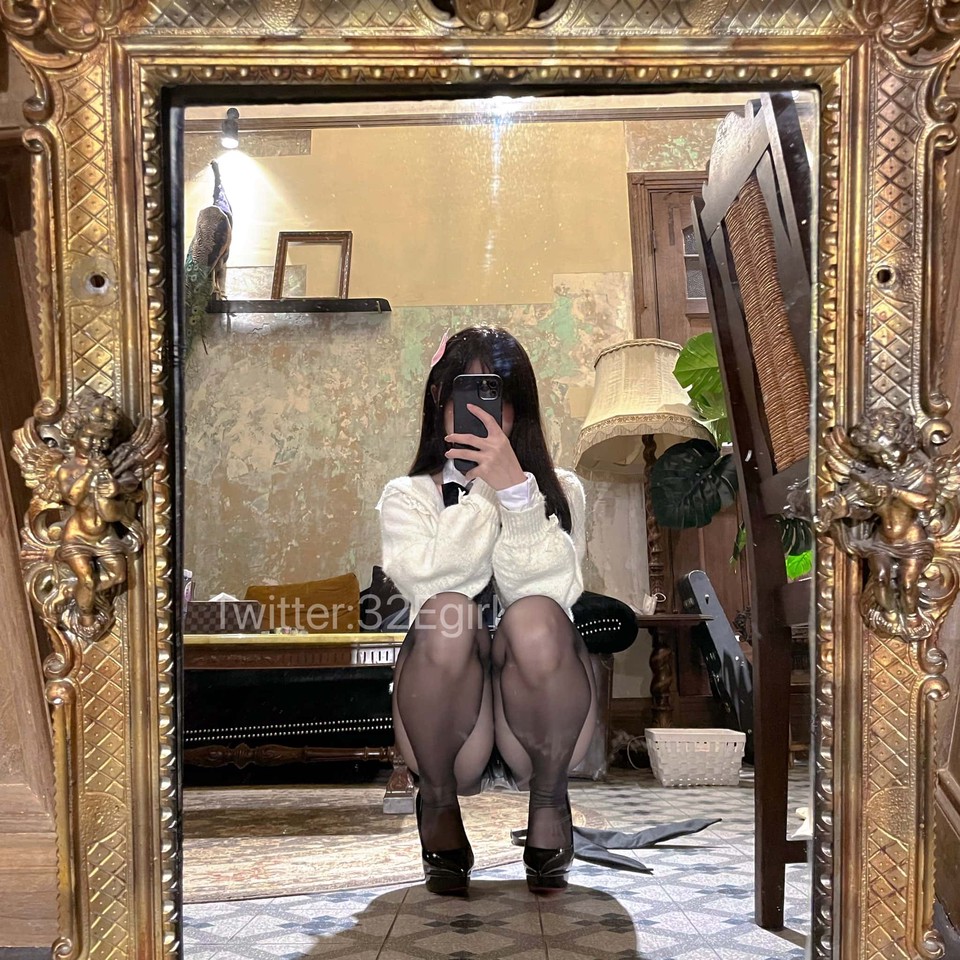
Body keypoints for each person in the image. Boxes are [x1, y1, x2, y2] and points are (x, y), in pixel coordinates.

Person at [376, 326, 597, 895]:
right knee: (449, 613)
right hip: (449, 725)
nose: (479, 412)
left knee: (535, 615)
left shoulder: (562, 491)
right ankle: (438, 802)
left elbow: (554, 589)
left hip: (542, 719)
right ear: (439, 399)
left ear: (519, 406)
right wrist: (483, 494)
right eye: (465, 393)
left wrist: (518, 494)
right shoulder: (408, 496)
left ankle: (549, 801)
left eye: (495, 395)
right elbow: (435, 580)